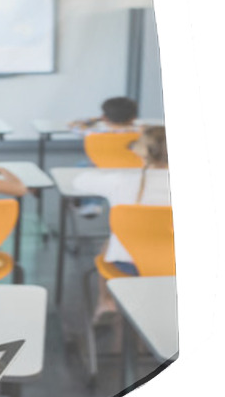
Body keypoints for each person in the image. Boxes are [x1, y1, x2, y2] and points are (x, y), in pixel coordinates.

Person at [72, 125, 171, 322]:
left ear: (140, 152)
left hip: (129, 264)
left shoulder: (121, 181)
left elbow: (79, 182)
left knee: (109, 244)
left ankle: (106, 302)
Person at [68, 96, 140, 133]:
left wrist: (98, 119)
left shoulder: (93, 132)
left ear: (104, 117)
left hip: (101, 161)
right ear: (134, 117)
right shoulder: (141, 131)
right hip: (131, 161)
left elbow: (72, 124)